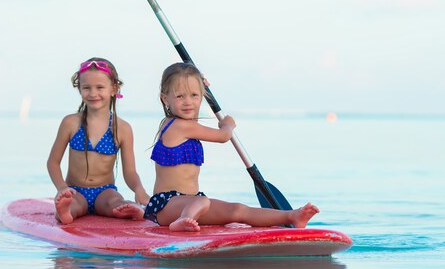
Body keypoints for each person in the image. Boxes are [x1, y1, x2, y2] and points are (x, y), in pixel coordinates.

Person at [144, 62, 319, 232]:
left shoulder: (187, 124)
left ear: (202, 95)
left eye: (194, 95)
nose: (188, 102)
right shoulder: (178, 126)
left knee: (238, 210)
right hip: (165, 205)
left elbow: (192, 99)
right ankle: (182, 222)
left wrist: (199, 82)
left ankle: (291, 216)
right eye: (180, 96)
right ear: (165, 98)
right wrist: (228, 125)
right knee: (203, 202)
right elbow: (223, 136)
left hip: (191, 202)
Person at [47, 57, 149, 224]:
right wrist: (62, 188)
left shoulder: (122, 128)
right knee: (74, 205)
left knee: (115, 202)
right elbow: (53, 162)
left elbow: (129, 172)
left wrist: (139, 189)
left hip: (105, 191)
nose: (93, 93)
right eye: (86, 88)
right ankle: (65, 212)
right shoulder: (71, 123)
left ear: (114, 88)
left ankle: (128, 210)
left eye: (100, 87)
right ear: (79, 89)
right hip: (75, 191)